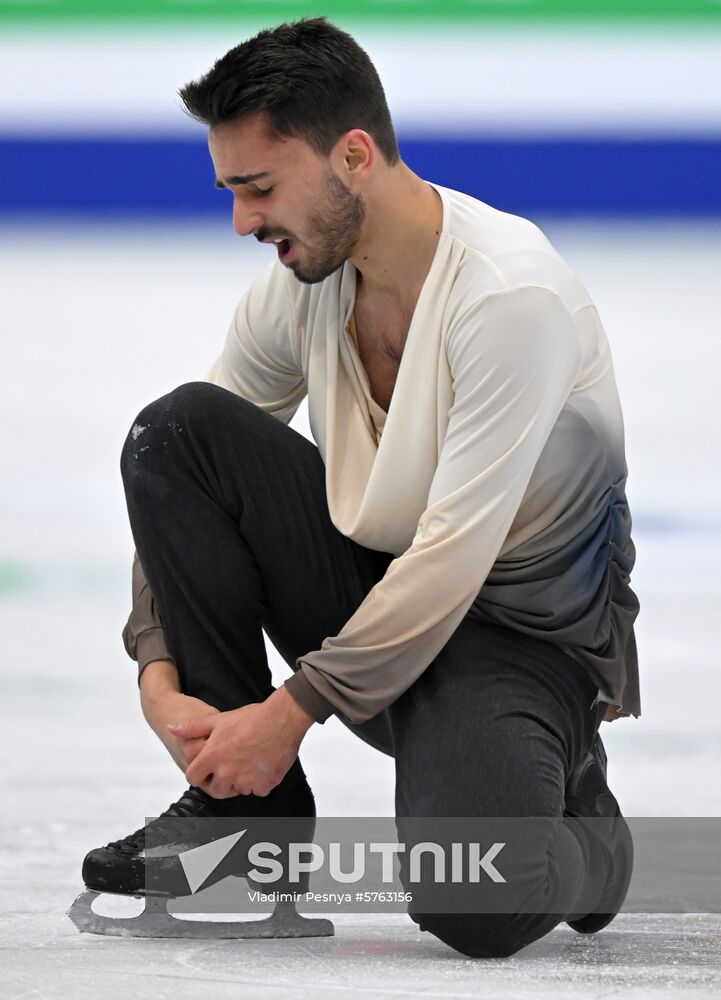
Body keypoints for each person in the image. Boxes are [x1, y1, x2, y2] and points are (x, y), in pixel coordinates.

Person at [80, 16, 640, 957]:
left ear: (351, 156)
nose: (243, 222)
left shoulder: (510, 300)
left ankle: (589, 830)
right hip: (374, 596)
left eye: (258, 187)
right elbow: (183, 469)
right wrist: (158, 665)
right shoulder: (302, 283)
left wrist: (288, 713)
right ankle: (245, 817)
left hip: (518, 640)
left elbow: (450, 563)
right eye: (232, 191)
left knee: (474, 906)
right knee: (178, 429)